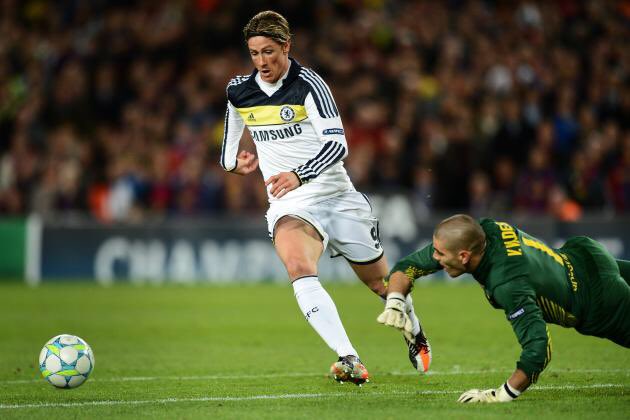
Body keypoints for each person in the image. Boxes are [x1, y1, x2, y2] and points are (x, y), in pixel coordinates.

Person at [219, 10, 431, 385]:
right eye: (254, 53)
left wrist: (298, 174)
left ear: (286, 46)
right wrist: (234, 164)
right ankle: (349, 358)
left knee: (381, 285)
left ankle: (414, 329)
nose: (262, 62)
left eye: (268, 52)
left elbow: (338, 146)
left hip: (335, 195)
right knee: (298, 266)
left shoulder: (310, 85)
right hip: (289, 203)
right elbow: (227, 149)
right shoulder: (239, 90)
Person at [378, 214, 630, 402]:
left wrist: (501, 395)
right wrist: (396, 302)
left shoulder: (507, 284)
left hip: (600, 301)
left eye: (439, 254)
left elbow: (538, 348)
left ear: (464, 256)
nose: (434, 258)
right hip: (585, 255)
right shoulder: (485, 231)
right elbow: (408, 266)